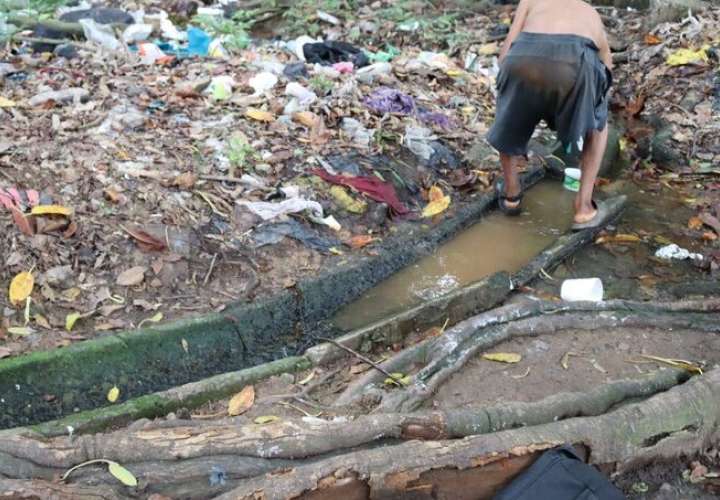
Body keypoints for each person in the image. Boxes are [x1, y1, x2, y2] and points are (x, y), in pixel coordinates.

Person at [487, 0, 613, 229]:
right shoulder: (589, 12)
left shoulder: (530, 1)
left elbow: (505, 54)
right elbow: (607, 68)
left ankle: (511, 195)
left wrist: (513, 89)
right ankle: (584, 207)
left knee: (508, 113)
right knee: (599, 123)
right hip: (575, 60)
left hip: (523, 55)